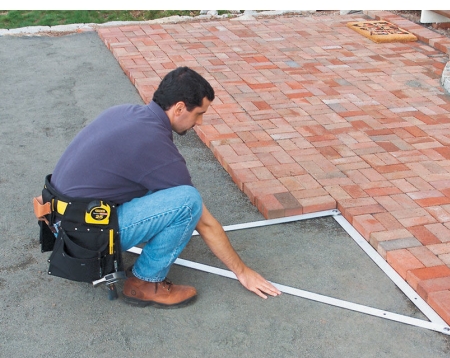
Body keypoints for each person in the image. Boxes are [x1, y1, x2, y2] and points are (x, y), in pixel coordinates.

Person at [50, 66, 281, 307]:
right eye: (198, 114)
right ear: (179, 108)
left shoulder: (125, 112)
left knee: (164, 190)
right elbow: (204, 222)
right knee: (188, 203)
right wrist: (242, 271)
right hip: (83, 239)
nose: (200, 121)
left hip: (63, 222)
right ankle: (145, 282)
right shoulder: (153, 144)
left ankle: (147, 246)